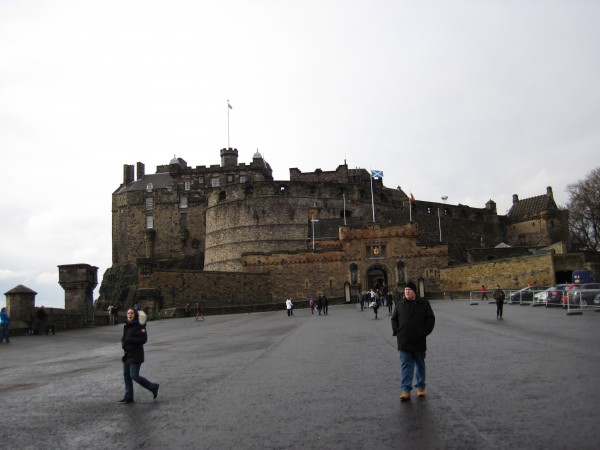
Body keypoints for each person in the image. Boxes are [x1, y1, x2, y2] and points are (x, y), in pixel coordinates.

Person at [391, 281, 436, 402]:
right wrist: (397, 331)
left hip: (419, 340)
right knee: (405, 365)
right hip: (404, 340)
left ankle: (421, 387)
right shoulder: (399, 304)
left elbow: (430, 319)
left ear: (414, 291)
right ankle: (405, 390)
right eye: (405, 290)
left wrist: (424, 332)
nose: (407, 292)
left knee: (420, 364)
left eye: (409, 290)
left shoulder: (423, 303)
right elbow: (394, 319)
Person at [119, 308, 159, 404]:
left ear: (135, 315)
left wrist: (130, 339)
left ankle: (153, 387)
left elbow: (143, 339)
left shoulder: (139, 326)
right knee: (126, 376)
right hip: (127, 354)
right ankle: (128, 397)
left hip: (136, 355)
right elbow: (125, 338)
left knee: (134, 376)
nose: (130, 315)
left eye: (132, 313)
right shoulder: (127, 325)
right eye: (128, 313)